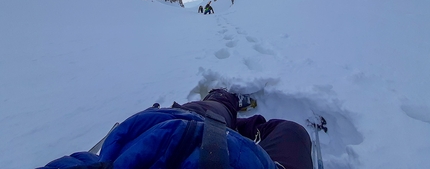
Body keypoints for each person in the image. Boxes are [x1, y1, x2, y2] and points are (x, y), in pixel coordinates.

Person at [38, 89, 313, 169]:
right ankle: (230, 106)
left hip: (164, 124)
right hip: (172, 123)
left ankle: (227, 107)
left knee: (212, 109)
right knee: (291, 132)